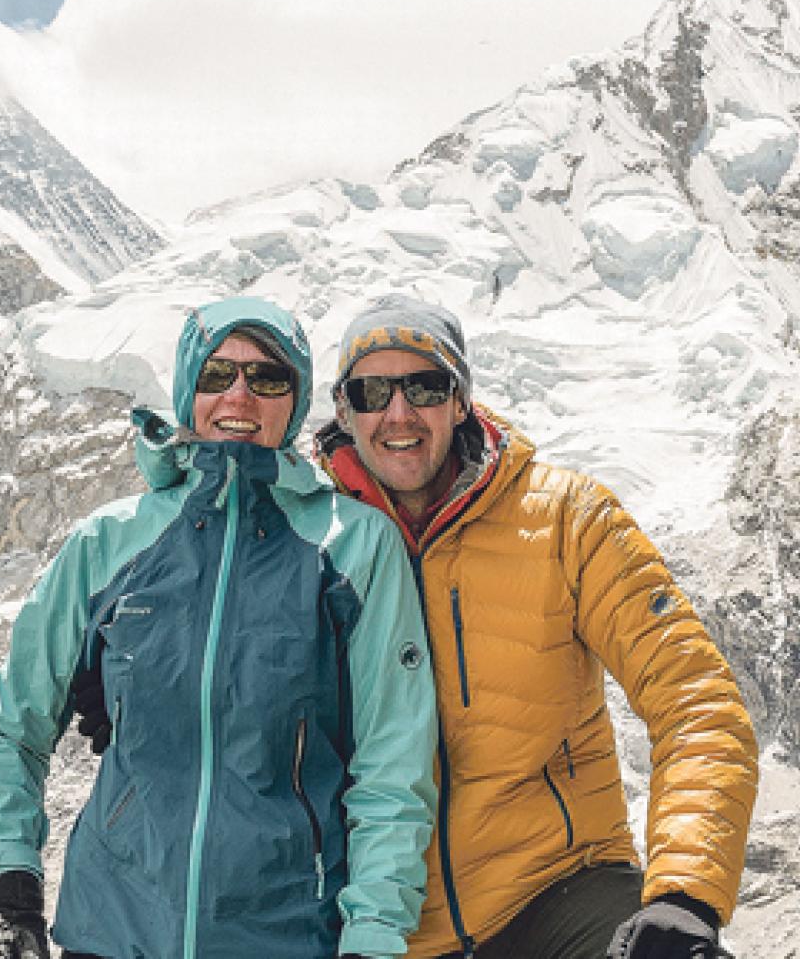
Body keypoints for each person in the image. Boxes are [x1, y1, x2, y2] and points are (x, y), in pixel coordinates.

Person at [0, 296, 439, 959]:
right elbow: (12, 724)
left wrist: (374, 935)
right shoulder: (108, 542)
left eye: (267, 377)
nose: (239, 396)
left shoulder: (355, 547)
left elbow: (393, 766)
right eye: (218, 374)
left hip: (285, 938)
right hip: (110, 930)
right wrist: (10, 896)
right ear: (189, 387)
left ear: (295, 399)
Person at [306, 295, 759, 959]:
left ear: (461, 400)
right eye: (372, 392)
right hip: (384, 926)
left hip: (560, 890)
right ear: (344, 412)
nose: (398, 413)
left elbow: (696, 701)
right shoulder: (306, 541)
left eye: (424, 387)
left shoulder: (569, 519)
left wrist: (686, 893)